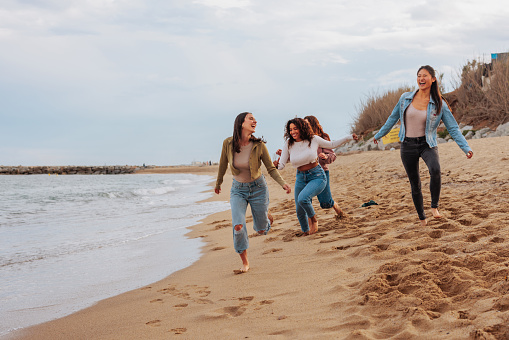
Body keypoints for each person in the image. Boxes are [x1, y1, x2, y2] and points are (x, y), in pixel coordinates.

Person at [374, 65, 473, 226]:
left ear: (433, 79)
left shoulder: (439, 103)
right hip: (407, 145)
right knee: (415, 183)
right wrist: (379, 135)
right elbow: (392, 118)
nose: (421, 78)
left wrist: (466, 148)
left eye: (425, 75)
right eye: (419, 75)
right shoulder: (405, 98)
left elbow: (453, 128)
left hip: (428, 144)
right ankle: (422, 218)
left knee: (435, 170)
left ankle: (434, 207)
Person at [215, 112, 291, 273]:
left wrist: (282, 183)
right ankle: (245, 263)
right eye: (250, 118)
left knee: (261, 230)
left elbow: (270, 168)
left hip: (258, 189)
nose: (254, 120)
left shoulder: (259, 146)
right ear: (241, 123)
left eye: (254, 119)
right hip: (238, 191)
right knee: (238, 226)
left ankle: (267, 220)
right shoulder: (227, 144)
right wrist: (218, 183)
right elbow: (222, 164)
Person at [274, 118, 357, 235]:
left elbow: (332, 144)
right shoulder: (289, 144)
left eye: (295, 129)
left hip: (317, 175)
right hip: (300, 177)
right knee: (299, 209)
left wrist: (349, 137)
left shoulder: (313, 139)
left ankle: (314, 219)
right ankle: (306, 231)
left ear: (302, 128)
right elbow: (282, 165)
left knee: (304, 198)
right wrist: (276, 165)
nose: (293, 132)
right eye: (290, 129)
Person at [304, 115, 355, 218]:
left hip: (321, 172)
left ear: (313, 125)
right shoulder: (302, 140)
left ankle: (338, 210)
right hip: (306, 173)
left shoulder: (323, 138)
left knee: (325, 202)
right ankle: (311, 224)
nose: (305, 127)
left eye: (307, 124)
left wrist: (325, 157)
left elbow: (333, 155)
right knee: (304, 199)